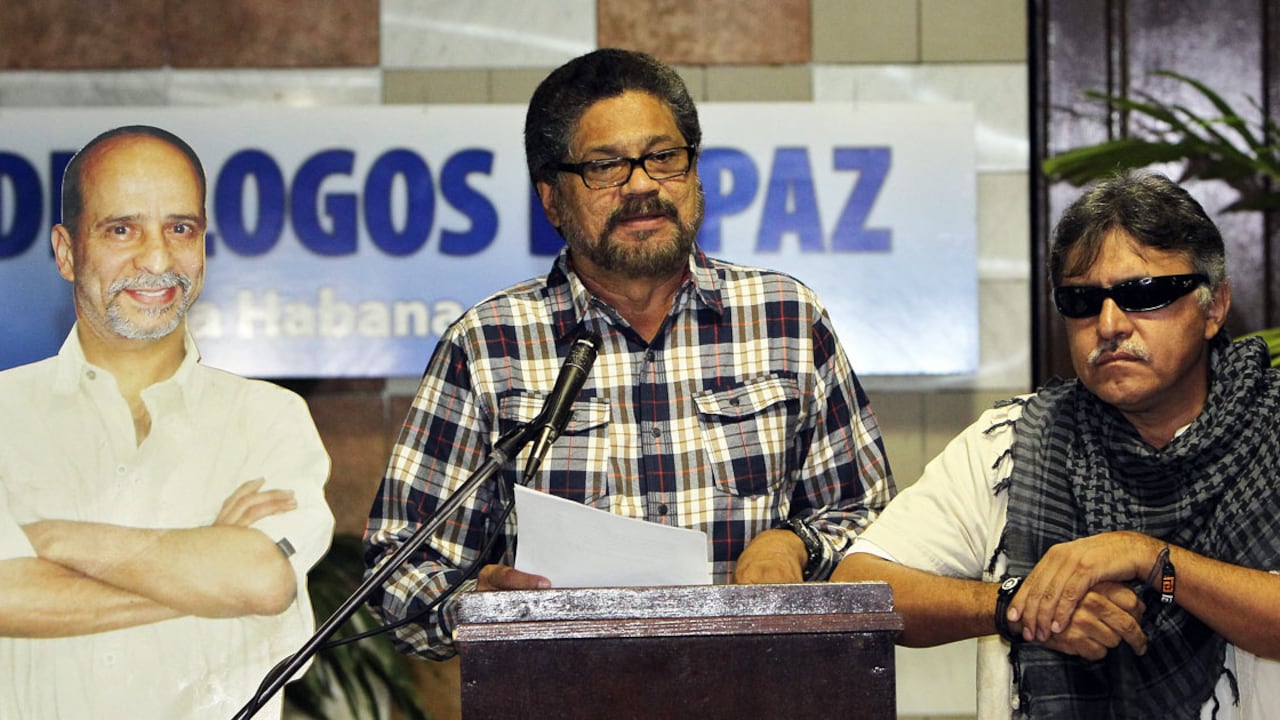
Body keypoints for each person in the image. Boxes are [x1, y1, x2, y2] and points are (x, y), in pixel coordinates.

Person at [364, 47, 895, 659]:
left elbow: (872, 520)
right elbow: (396, 572)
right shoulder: (489, 343)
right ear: (550, 199)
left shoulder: (785, 317)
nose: (642, 185)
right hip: (566, 690)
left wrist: (797, 543)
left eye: (663, 158)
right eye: (605, 166)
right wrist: (480, 606)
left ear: (695, 173)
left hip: (756, 685)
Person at [833, 171, 1280, 719]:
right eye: (1083, 301)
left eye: (1143, 295)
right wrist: (1015, 603)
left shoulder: (1269, 425)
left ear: (1214, 307)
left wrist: (1150, 559)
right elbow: (858, 588)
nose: (1110, 324)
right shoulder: (1016, 443)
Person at [0, 125, 334, 719]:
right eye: (121, 229)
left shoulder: (269, 420)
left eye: (180, 229)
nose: (157, 259)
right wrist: (206, 578)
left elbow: (259, 578)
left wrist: (54, 542)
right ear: (66, 251)